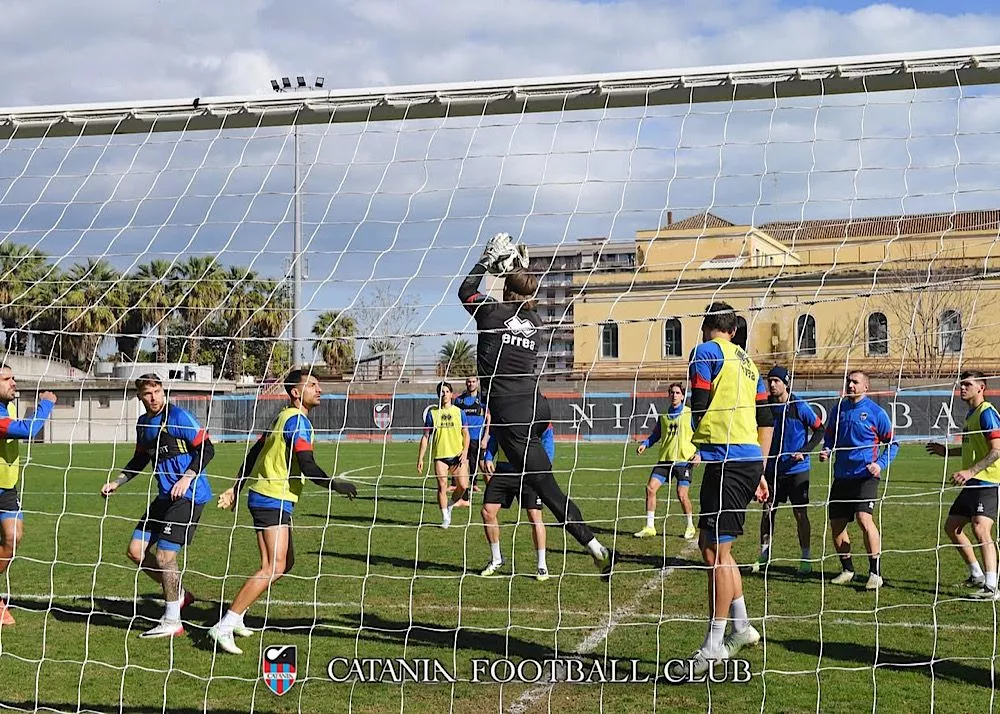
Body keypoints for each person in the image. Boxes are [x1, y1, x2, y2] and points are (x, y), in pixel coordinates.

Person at [458, 233, 611, 575]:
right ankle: (590, 541)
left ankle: (591, 543)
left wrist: (488, 261)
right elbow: (523, 296)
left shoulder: (491, 313)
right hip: (536, 407)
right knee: (546, 483)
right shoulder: (537, 323)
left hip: (509, 411)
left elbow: (465, 289)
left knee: (546, 488)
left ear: (504, 289)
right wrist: (513, 269)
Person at [209, 369, 356, 655]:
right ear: (296, 393)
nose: (319, 390)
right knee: (272, 566)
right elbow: (308, 464)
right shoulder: (297, 422)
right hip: (271, 499)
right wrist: (335, 484)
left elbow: (254, 453)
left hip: (272, 498)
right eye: (313, 385)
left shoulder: (283, 416)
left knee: (285, 563)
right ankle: (224, 625)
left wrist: (235, 488)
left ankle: (237, 616)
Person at [668, 302, 772, 680]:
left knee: (715, 553)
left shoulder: (706, 352)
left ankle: (714, 645)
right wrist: (759, 466)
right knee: (717, 549)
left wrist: (697, 443)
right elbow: (764, 419)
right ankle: (742, 628)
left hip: (728, 460)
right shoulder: (750, 363)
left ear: (708, 325)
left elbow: (699, 401)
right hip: (741, 459)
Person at [101, 373, 214, 638]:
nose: (153, 398)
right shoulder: (143, 424)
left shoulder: (178, 417)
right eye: (147, 394)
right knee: (135, 551)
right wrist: (118, 482)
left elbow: (207, 449)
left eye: (157, 391)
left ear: (163, 391)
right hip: (164, 497)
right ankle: (181, 594)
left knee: (165, 556)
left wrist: (187, 478)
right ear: (140, 397)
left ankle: (173, 620)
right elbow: (140, 459)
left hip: (189, 495)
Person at [820, 370, 898, 590]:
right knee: (836, 525)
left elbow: (893, 444)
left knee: (865, 519)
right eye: (848, 381)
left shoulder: (876, 412)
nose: (850, 385)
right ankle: (848, 569)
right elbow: (830, 436)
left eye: (855, 382)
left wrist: (879, 464)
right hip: (842, 476)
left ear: (866, 387)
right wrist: (827, 449)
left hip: (865, 476)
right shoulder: (839, 409)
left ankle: (875, 573)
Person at [926, 370, 1000, 599]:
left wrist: (969, 471)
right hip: (974, 481)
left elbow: (997, 449)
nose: (962, 388)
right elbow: (973, 446)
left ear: (981, 387)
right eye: (961, 384)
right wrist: (947, 451)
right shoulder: (971, 415)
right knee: (952, 527)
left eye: (967, 384)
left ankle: (991, 586)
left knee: (980, 528)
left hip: (988, 480)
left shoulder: (987, 413)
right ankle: (976, 574)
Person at [752, 366, 824, 576]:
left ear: (786, 382)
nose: (772, 385)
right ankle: (764, 555)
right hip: (772, 470)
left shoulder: (798, 405)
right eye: (769, 381)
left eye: (776, 380)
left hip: (796, 470)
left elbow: (820, 429)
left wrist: (805, 451)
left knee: (800, 514)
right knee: (767, 512)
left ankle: (805, 557)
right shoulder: (764, 406)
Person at [0, 365, 55, 627]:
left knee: (13, 539)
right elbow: (28, 430)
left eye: (14, 378)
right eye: (7, 379)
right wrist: (45, 404)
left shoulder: (8, 406)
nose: (14, 383)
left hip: (7, 488)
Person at [478, 423, 552, 581]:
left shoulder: (536, 410)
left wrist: (545, 463)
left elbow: (547, 436)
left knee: (534, 516)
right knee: (487, 511)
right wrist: (489, 456)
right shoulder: (503, 409)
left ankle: (542, 565)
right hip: (504, 471)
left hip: (529, 471)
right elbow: (495, 435)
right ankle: (497, 559)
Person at [634, 382, 698, 541]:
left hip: (684, 461)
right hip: (665, 460)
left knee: (682, 494)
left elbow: (701, 434)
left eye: (677, 393)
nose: (674, 395)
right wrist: (645, 444)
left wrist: (699, 453)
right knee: (650, 488)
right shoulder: (664, 416)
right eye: (672, 392)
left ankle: (690, 525)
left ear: (683, 396)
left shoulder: (690, 414)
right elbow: (656, 435)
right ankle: (650, 526)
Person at [417, 381, 471, 528]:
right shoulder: (432, 413)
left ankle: (450, 505)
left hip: (458, 456)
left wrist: (465, 451)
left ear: (451, 394)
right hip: (440, 456)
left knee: (463, 486)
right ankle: (445, 518)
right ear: (438, 395)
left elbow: (465, 434)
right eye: (441, 391)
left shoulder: (459, 412)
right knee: (442, 485)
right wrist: (420, 457)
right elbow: (425, 436)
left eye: (447, 391)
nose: (444, 394)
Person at [454, 376, 490, 492]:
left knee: (480, 463)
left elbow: (488, 418)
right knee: (462, 461)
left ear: (477, 383)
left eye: (473, 381)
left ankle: (477, 484)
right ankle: (456, 484)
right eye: (469, 381)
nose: (471, 384)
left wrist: (486, 437)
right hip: (463, 438)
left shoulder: (483, 400)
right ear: (466, 383)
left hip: (477, 437)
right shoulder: (459, 400)